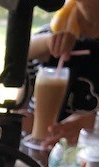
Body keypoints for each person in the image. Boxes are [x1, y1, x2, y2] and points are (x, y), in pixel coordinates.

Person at [25, 0, 99, 148]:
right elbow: (23, 104)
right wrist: (48, 42)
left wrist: (91, 123)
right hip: (40, 150)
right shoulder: (47, 35)